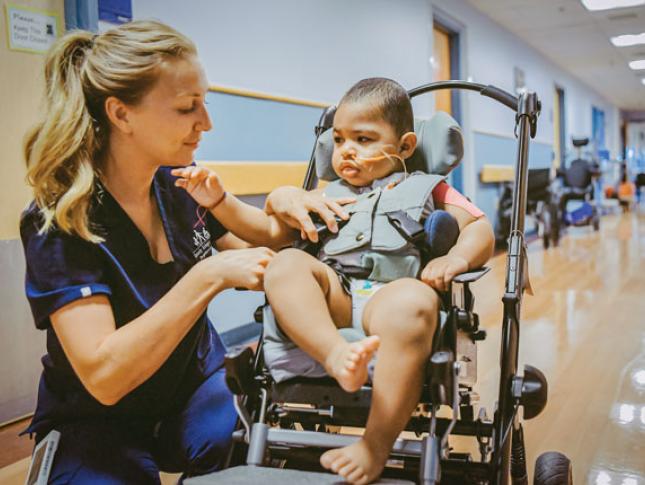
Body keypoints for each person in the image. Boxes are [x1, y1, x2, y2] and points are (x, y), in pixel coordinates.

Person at [20, 20, 346, 483]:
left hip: (194, 388)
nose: (206, 122)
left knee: (241, 450)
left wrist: (284, 201)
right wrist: (207, 276)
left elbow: (259, 247)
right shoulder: (60, 220)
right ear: (121, 114)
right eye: (186, 107)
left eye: (204, 103)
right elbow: (105, 377)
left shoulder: (180, 185)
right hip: (96, 417)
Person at [173, 78, 495, 484]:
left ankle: (374, 446)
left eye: (363, 139)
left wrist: (455, 259)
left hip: (391, 296)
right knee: (286, 263)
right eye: (340, 139)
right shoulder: (325, 196)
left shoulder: (430, 188)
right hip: (337, 295)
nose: (346, 151)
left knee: (414, 301)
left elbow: (480, 230)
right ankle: (335, 355)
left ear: (406, 147)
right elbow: (265, 231)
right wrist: (221, 202)